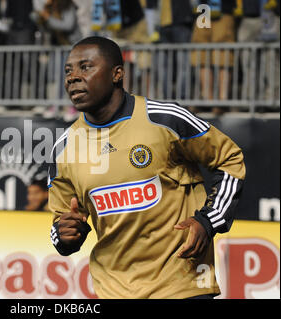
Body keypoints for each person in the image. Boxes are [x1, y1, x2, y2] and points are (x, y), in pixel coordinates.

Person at [48, 36, 246, 299]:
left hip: (183, 285)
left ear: (117, 74)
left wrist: (208, 220)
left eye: (85, 67)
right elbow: (60, 222)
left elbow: (230, 158)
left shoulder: (165, 119)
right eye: (68, 71)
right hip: (114, 291)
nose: (73, 77)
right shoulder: (64, 148)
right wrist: (64, 235)